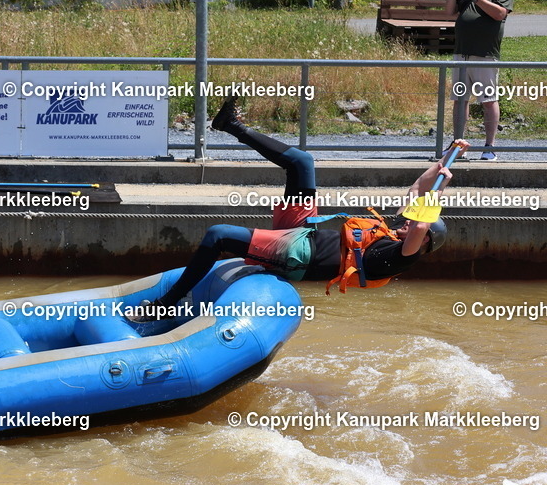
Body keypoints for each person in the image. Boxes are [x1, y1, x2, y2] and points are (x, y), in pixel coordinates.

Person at [132, 97, 464, 321]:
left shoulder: (403, 255)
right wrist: (447, 159)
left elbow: (420, 223)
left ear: (425, 243)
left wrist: (441, 190)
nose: (406, 223)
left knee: (218, 235)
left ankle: (163, 307)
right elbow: (417, 189)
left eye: (413, 227)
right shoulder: (396, 234)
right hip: (306, 231)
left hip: (297, 256)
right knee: (301, 162)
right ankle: (229, 125)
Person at [446, 0, 515, 161]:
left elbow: (500, 14)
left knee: (488, 100)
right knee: (460, 99)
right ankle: (457, 145)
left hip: (485, 53)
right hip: (461, 52)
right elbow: (450, 13)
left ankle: (489, 147)